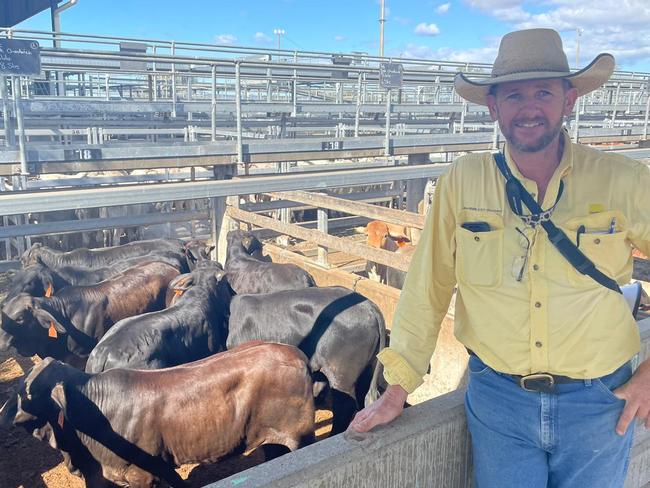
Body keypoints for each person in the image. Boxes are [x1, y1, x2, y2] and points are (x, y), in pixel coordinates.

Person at [348, 28, 650, 488]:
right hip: (499, 402)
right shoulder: (462, 182)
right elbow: (428, 286)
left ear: (569, 100)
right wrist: (398, 388)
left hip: (600, 402)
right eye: (513, 96)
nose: (529, 108)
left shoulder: (625, 182)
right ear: (494, 108)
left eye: (544, 92)